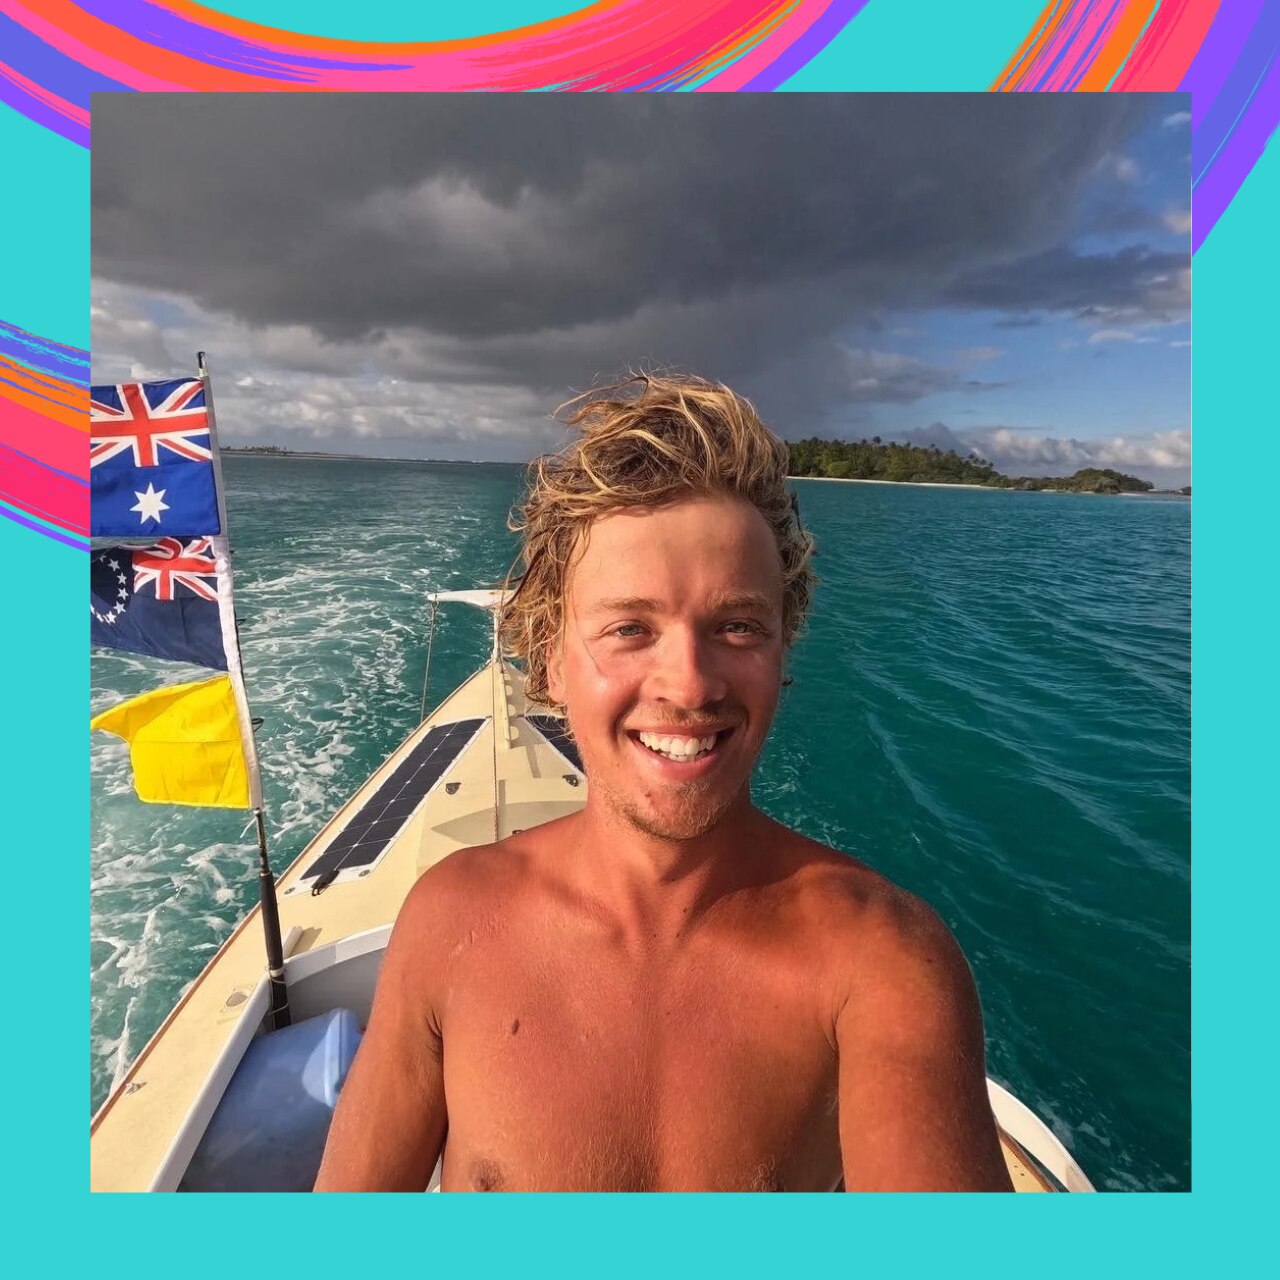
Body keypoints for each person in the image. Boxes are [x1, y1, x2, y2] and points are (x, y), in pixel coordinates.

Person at [315, 373, 1014, 1192]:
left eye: (738, 626)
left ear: (782, 651)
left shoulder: (882, 961)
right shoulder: (449, 923)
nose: (688, 685)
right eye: (629, 629)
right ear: (549, 659)